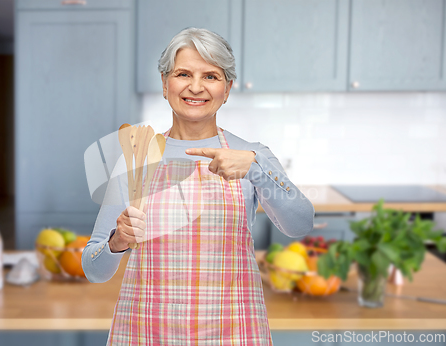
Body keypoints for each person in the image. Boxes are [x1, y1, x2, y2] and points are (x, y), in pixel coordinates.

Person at [82, 27, 315, 345]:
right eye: (183, 74)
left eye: (211, 76)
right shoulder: (137, 160)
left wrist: (255, 170)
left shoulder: (252, 155)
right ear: (165, 84)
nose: (196, 87)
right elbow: (94, 270)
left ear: (227, 88)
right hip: (148, 330)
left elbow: (300, 224)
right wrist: (118, 240)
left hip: (232, 330)